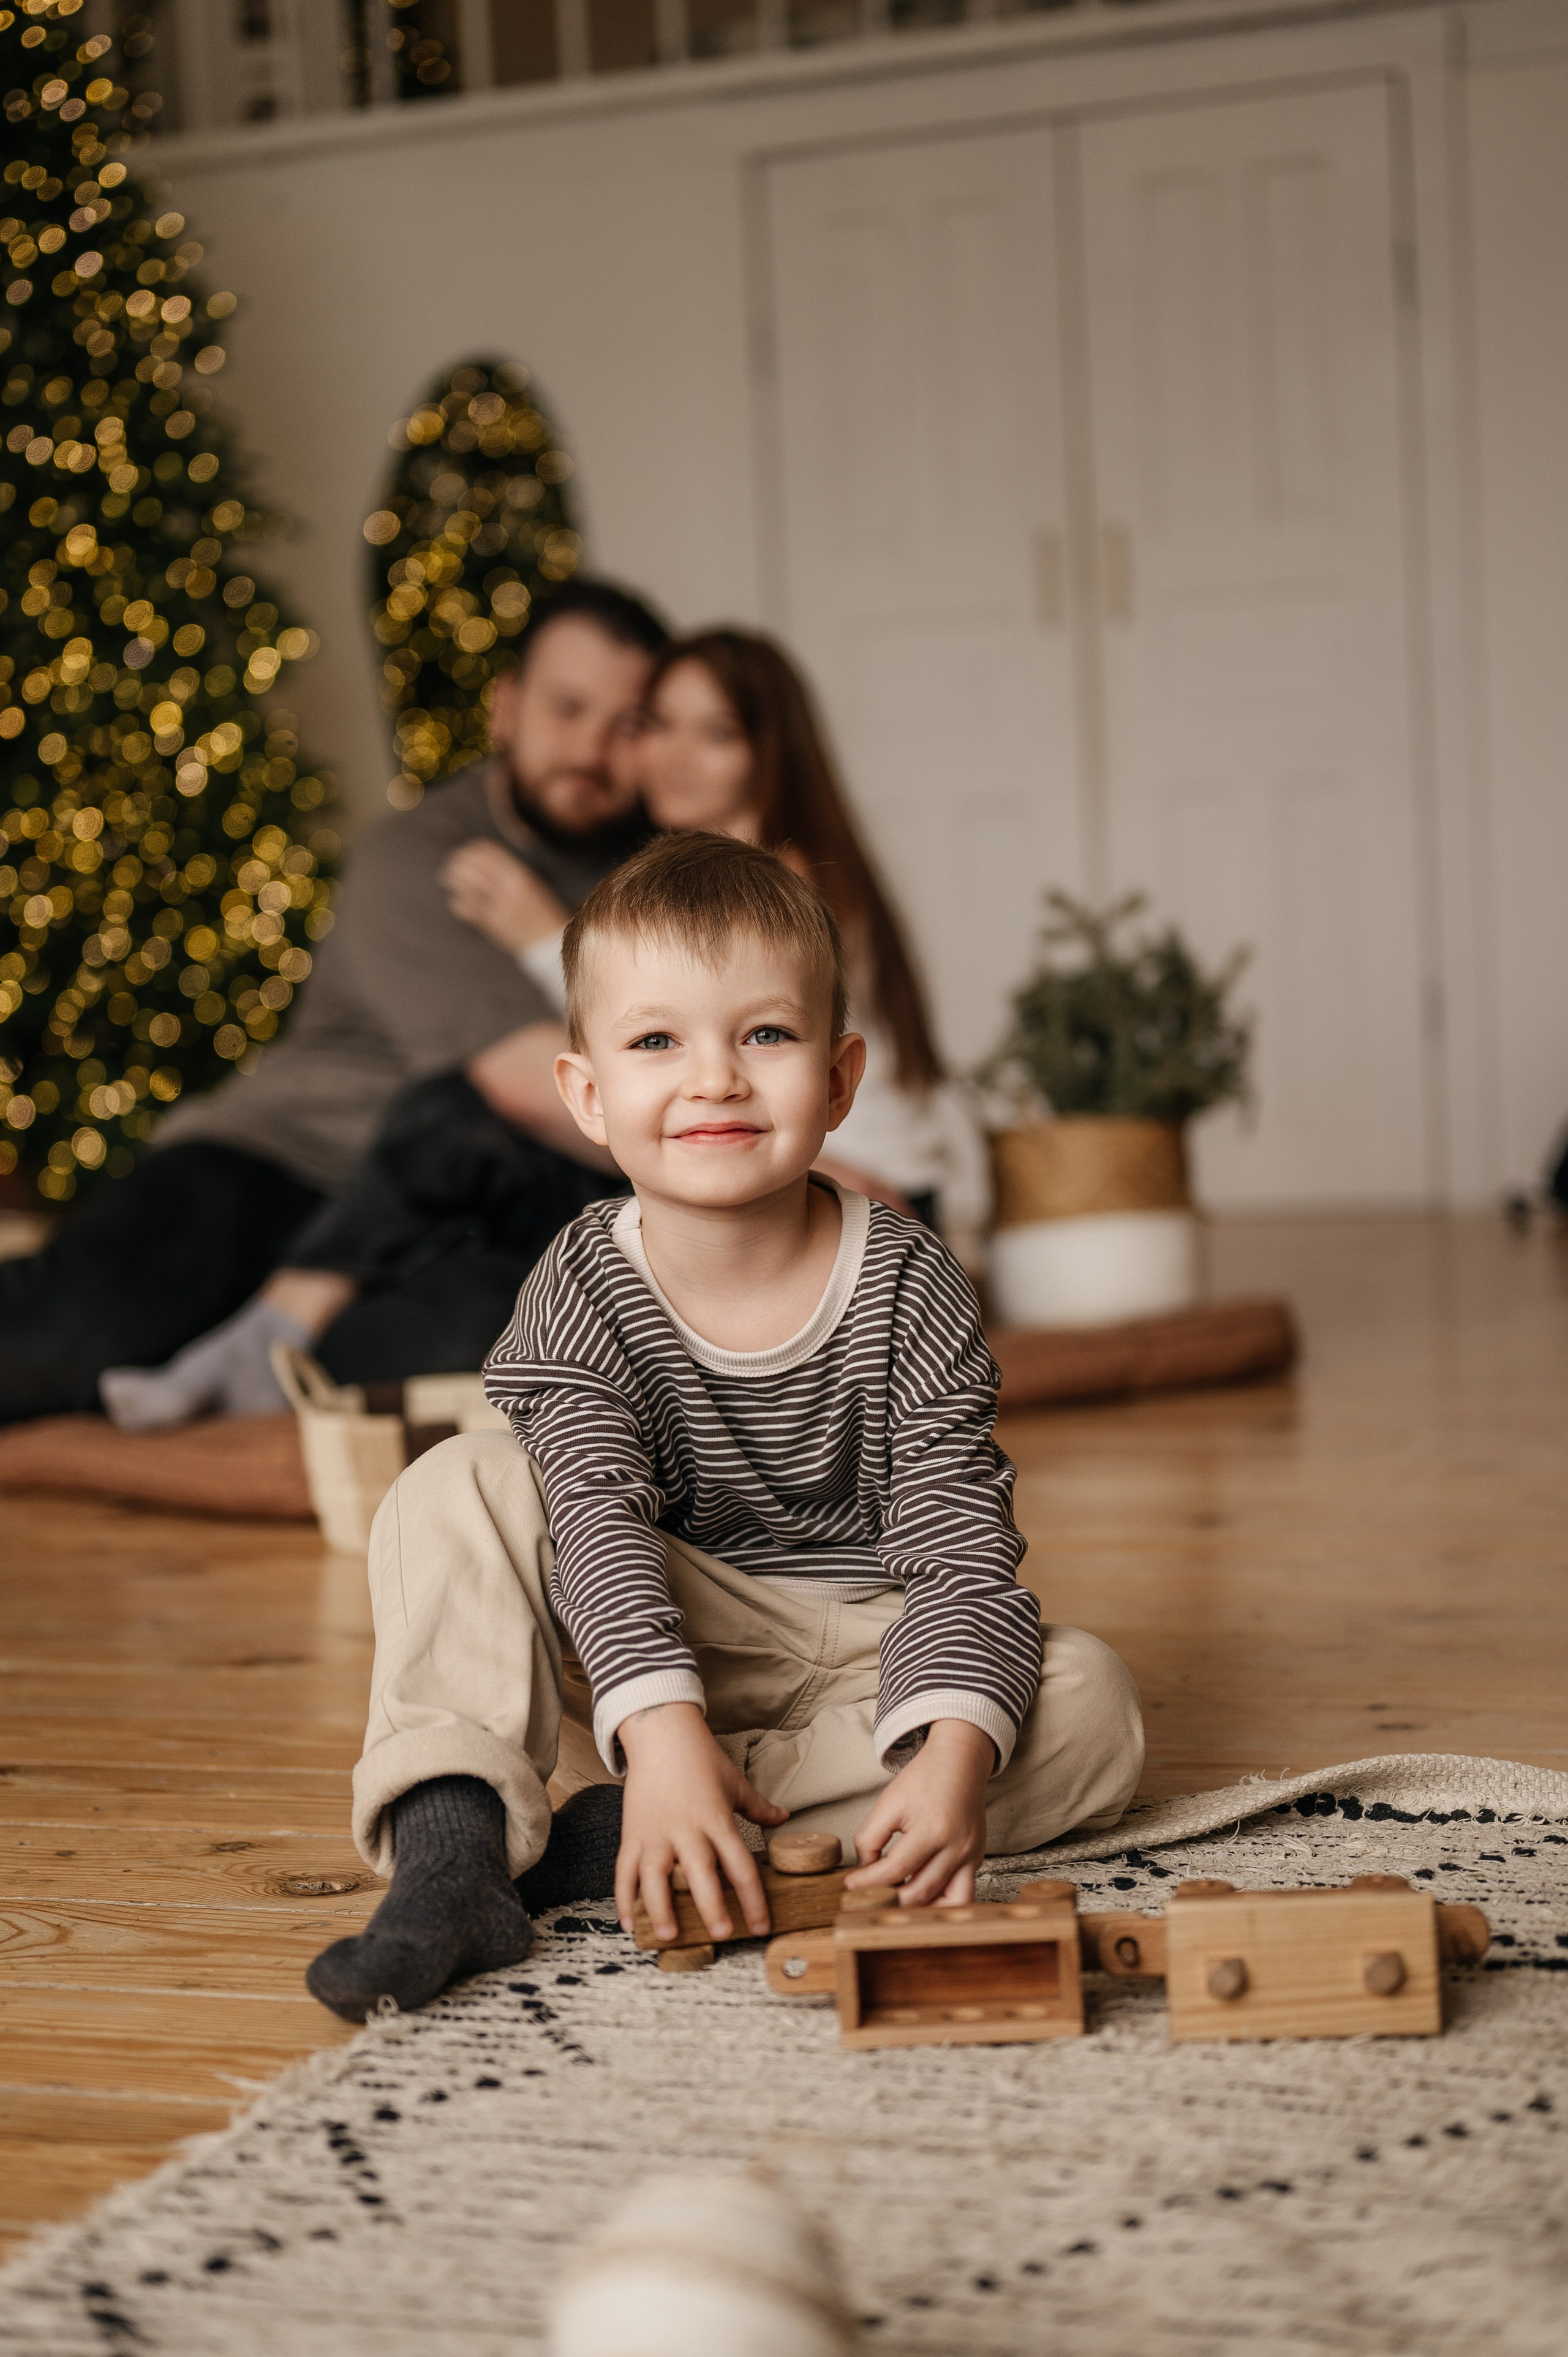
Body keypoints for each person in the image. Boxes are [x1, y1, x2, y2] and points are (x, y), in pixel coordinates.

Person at [305, 832, 1142, 2023]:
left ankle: (620, 1837)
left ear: (839, 1080)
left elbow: (960, 1549)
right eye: (656, 1041)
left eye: (765, 1035)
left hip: (867, 1654)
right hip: (649, 1636)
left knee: (1090, 1701)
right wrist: (660, 1728)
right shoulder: (581, 1281)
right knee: (458, 1480)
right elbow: (593, 1518)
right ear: (587, 1094)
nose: (714, 1079)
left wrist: (953, 1755)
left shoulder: (910, 1281)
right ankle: (456, 1849)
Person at [2, 578, 668, 1430]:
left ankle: (247, 1371)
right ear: (506, 708)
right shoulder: (428, 854)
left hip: (455, 1223)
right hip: (282, 1160)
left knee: (478, 1346)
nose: (591, 750)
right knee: (64, 1342)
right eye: (567, 709)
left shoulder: (661, 877)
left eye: (628, 725)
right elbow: (531, 1085)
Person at [450, 626, 989, 1248]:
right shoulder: (757, 865)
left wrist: (544, 936)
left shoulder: (777, 881)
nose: (675, 757)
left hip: (861, 1186)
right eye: (658, 724)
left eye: (717, 734)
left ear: (769, 754)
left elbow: (671, 997)